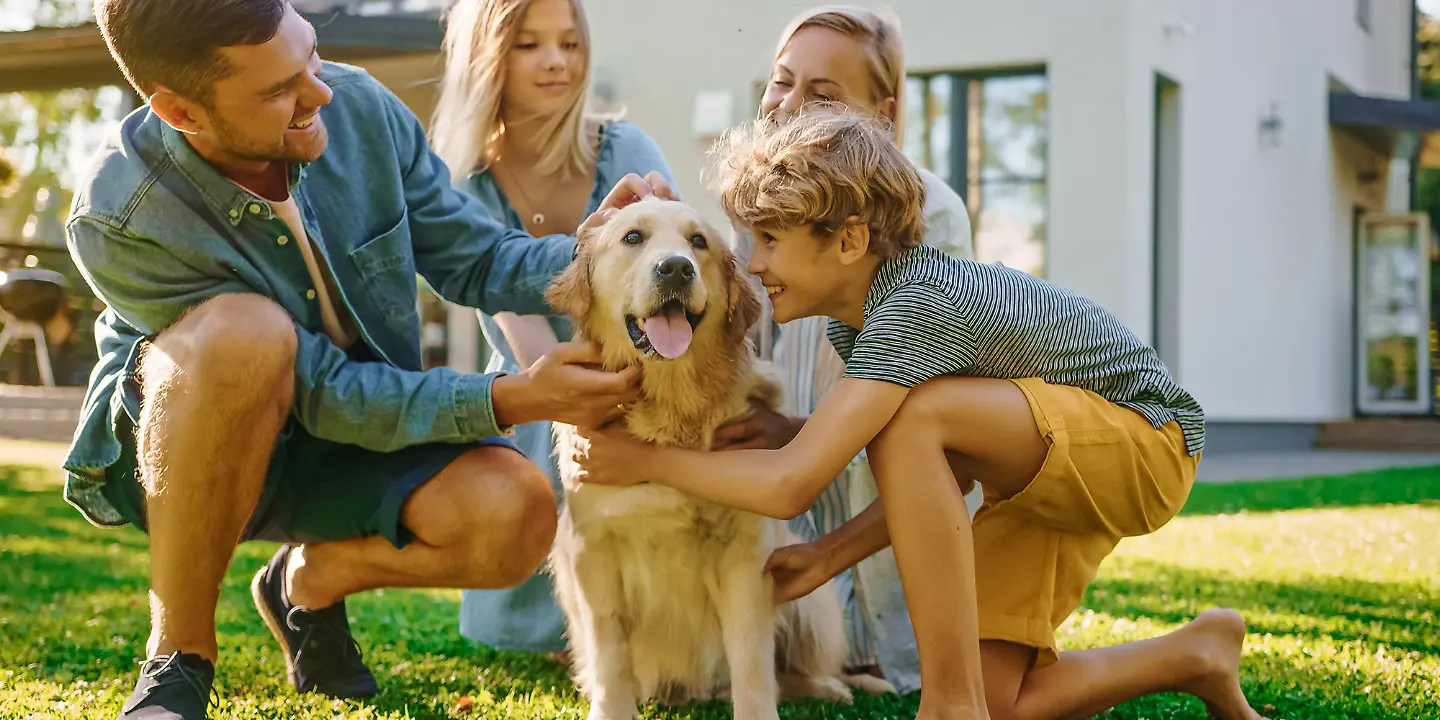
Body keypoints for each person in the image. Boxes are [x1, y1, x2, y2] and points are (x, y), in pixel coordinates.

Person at [64, 1, 671, 718]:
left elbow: (473, 255)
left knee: (517, 512)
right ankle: (178, 663)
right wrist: (508, 396)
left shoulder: (355, 106)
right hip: (201, 446)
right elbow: (315, 387)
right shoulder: (120, 215)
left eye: (311, 57)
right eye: (278, 90)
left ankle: (307, 581)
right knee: (242, 336)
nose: (320, 93)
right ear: (181, 112)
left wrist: (592, 251)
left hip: (358, 434)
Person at [574, 111, 1266, 720]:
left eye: (771, 242)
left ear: (848, 242)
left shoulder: (914, 306)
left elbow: (791, 484)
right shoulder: (864, 326)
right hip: (1048, 478)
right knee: (1006, 705)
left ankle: (947, 709)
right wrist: (829, 553)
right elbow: (941, 476)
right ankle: (1196, 653)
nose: (753, 268)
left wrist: (642, 461)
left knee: (914, 419)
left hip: (1146, 438)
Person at [727, 5, 975, 691]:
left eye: (825, 95)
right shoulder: (748, 216)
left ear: (884, 116)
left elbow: (922, 435)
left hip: (878, 546)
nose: (790, 108)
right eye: (782, 83)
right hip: (792, 546)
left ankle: (869, 647)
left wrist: (798, 436)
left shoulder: (931, 217)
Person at [425, 0, 682, 659]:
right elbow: (532, 348)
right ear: (487, 58)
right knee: (545, 407)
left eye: (569, 43)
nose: (557, 61)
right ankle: (556, 618)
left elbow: (670, 299)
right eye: (529, 44)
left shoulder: (626, 149)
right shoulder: (464, 187)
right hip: (536, 390)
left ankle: (656, 616)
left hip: (646, 373)